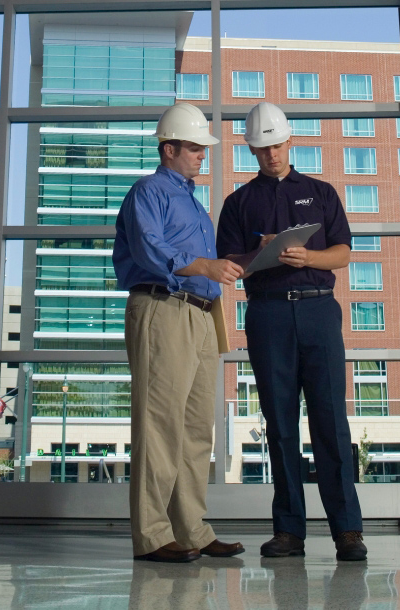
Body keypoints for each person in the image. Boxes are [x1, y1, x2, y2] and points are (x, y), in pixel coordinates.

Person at [216, 102, 367, 561]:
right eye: (263, 149)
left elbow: (342, 252)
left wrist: (309, 258)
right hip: (268, 316)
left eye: (278, 145)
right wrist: (258, 253)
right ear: (252, 149)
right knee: (279, 424)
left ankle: (347, 530)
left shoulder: (321, 193)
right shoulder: (239, 203)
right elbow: (229, 266)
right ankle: (288, 532)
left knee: (329, 421)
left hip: (319, 312)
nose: (272, 155)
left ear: (289, 141)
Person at [113, 102, 245, 563]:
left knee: (194, 431)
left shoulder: (190, 197)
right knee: (160, 427)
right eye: (193, 148)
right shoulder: (148, 191)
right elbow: (153, 249)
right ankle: (151, 535)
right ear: (168, 149)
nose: (201, 155)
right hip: (162, 310)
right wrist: (204, 266)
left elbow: (205, 262)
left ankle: (191, 529)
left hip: (201, 314)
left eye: (202, 149)